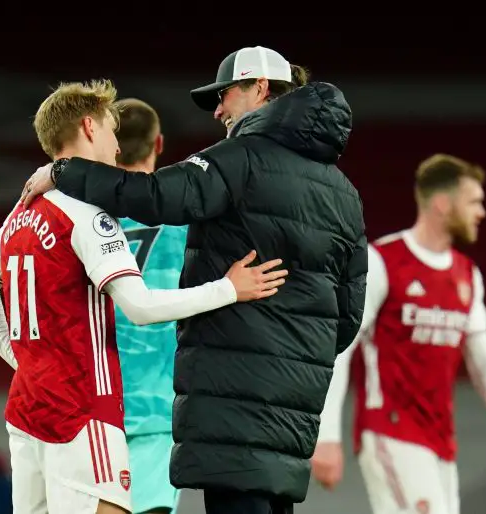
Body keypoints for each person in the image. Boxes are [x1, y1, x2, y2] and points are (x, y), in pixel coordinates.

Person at [20, 46, 367, 514]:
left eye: (225, 94)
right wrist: (294, 351)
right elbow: (346, 319)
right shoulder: (343, 190)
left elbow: (156, 195)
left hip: (231, 401)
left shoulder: (239, 158)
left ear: (259, 88)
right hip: (294, 411)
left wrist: (65, 172)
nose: (219, 109)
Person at [0, 79, 289, 514]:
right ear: (90, 126)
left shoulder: (23, 212)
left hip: (27, 411)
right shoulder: (89, 216)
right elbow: (141, 307)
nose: (117, 146)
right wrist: (229, 288)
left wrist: (22, 357)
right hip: (83, 411)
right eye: (113, 131)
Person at [312, 154, 486, 514]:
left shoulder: (467, 275)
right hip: (390, 430)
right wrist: (327, 435)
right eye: (474, 202)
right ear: (443, 204)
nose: (481, 212)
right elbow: (341, 347)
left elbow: (483, 359)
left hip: (441, 440)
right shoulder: (384, 261)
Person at [111, 98, 184, 514]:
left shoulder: (76, 214)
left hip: (87, 403)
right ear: (159, 143)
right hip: (159, 405)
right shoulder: (187, 217)